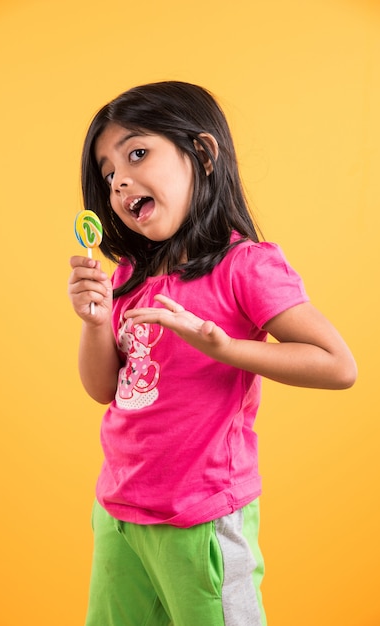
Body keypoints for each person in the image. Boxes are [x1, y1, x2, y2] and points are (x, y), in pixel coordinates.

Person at [68, 81, 357, 626]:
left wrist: (222, 346)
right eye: (108, 174)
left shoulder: (244, 266)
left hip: (200, 517)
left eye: (136, 153)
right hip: (120, 513)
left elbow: (338, 365)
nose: (120, 179)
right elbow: (104, 389)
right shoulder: (129, 276)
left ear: (201, 154)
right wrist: (96, 321)